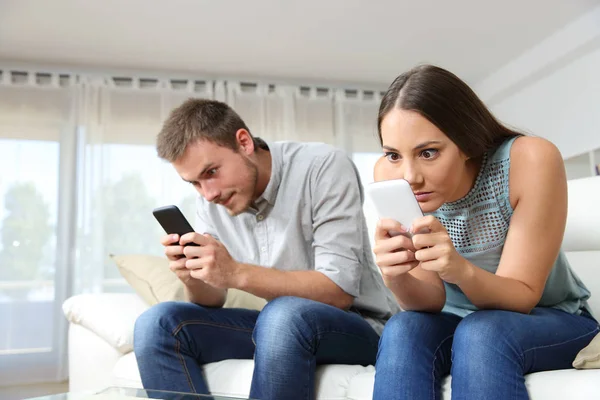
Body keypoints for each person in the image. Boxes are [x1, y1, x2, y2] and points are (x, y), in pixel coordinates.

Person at [133, 98, 398, 400]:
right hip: (278, 329)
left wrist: (234, 272)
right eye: (194, 183)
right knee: (156, 324)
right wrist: (194, 275)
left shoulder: (322, 166)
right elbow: (212, 300)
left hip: (357, 326)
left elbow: (338, 291)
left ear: (243, 142)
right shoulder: (213, 200)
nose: (209, 193)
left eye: (211, 172)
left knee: (282, 314)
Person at [371, 65, 599, 400]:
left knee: (483, 332)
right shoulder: (389, 175)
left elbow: (523, 296)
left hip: (551, 317)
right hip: (457, 322)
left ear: (465, 141)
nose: (408, 176)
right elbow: (430, 301)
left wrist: (460, 270)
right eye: (393, 154)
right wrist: (396, 276)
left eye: (428, 153)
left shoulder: (530, 159)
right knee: (403, 328)